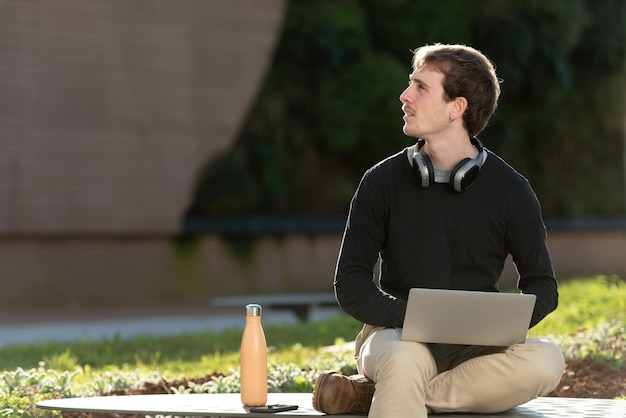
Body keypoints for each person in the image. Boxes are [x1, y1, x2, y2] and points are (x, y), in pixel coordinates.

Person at [312, 43, 565, 417]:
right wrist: (412, 315)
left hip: (474, 349)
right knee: (405, 361)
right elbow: (350, 282)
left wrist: (495, 322)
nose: (405, 96)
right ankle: (400, 385)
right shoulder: (380, 182)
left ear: (456, 107)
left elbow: (543, 286)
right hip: (396, 337)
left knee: (548, 360)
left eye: (420, 87)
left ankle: (371, 396)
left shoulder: (512, 191)